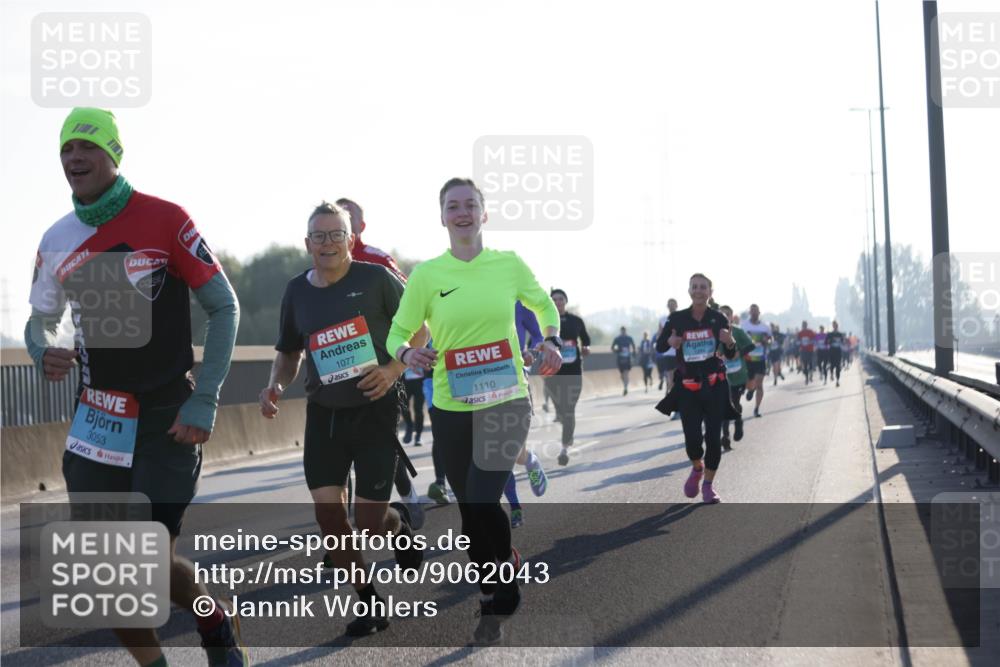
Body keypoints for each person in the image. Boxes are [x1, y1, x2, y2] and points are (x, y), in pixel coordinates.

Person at [25, 108, 243, 666]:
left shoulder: (166, 218)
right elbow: (40, 320)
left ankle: (211, 620)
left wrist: (205, 397)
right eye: (66, 149)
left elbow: (223, 306)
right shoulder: (56, 238)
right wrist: (41, 347)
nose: (75, 158)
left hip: (167, 416)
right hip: (97, 420)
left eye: (88, 147)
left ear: (114, 155)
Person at [386, 177, 562, 645]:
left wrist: (551, 339)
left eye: (470, 205)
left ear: (484, 214)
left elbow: (544, 306)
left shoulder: (508, 265)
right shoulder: (426, 275)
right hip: (451, 405)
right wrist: (407, 355)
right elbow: (397, 331)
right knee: (470, 510)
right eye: (452, 206)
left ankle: (495, 590)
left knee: (484, 496)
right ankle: (497, 574)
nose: (462, 213)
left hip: (506, 398)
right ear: (442, 216)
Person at [260, 201, 427, 637]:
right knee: (329, 516)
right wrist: (276, 385)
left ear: (351, 239)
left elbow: (421, 328)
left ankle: (399, 528)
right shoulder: (296, 291)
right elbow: (289, 351)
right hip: (324, 414)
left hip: (375, 408)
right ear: (307, 243)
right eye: (320, 235)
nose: (328, 243)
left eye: (337, 234)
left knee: (370, 522)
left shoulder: (376, 280)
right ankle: (369, 603)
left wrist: (393, 371)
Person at [334, 198, 424, 527]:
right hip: (337, 370)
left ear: (360, 227)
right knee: (339, 450)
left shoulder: (377, 261)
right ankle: (340, 528)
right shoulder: (322, 265)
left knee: (379, 438)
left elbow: (410, 304)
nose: (340, 227)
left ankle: (408, 496)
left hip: (381, 366)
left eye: (348, 219)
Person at [655, 274, 737, 504]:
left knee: (713, 437)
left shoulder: (718, 318)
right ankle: (697, 467)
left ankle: (709, 486)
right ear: (689, 291)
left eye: (703, 287)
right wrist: (670, 343)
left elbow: (730, 353)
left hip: (714, 385)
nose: (699, 291)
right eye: (695, 287)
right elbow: (660, 346)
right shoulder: (677, 319)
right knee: (692, 439)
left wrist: (729, 342)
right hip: (688, 387)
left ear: (710, 291)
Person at [546, 288, 591, 466]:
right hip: (552, 373)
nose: (557, 302)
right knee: (562, 411)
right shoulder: (544, 321)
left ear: (565, 301)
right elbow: (533, 341)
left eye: (560, 299)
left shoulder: (576, 321)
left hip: (573, 371)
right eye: (554, 299)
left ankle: (564, 448)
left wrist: (586, 347)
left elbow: (586, 339)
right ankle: (568, 433)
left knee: (569, 409)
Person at [718, 306, 755, 450]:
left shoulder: (738, 331)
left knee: (735, 403)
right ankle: (725, 436)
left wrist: (738, 353)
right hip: (722, 376)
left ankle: (738, 422)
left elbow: (751, 346)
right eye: (721, 314)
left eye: (727, 314)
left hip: (739, 375)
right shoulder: (714, 333)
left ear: (731, 317)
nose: (724, 316)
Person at [742, 304, 771, 418]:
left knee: (759, 384)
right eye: (752, 311)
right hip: (748, 359)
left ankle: (756, 409)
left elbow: (770, 339)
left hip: (760, 358)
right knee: (749, 383)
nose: (754, 313)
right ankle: (751, 389)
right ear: (749, 313)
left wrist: (766, 340)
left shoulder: (765, 327)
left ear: (759, 313)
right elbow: (739, 339)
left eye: (756, 311)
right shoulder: (744, 326)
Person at [655, 299, 679, 392]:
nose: (671, 306)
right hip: (668, 353)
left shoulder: (682, 317)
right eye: (669, 305)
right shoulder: (662, 319)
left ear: (676, 305)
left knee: (679, 377)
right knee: (670, 377)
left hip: (679, 352)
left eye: (673, 304)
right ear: (667, 306)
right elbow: (660, 335)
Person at [400, 364, 426, 445]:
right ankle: (409, 426)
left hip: (420, 380)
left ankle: (418, 436)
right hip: (405, 381)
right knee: (404, 406)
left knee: (418, 409)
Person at [611, 326, 636, 395]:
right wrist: (618, 350)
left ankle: (625, 388)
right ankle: (625, 385)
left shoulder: (629, 338)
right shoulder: (617, 338)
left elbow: (633, 347)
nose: (623, 332)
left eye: (624, 331)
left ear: (626, 331)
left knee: (626, 373)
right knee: (622, 375)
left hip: (628, 357)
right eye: (622, 331)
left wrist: (633, 355)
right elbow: (612, 348)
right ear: (620, 331)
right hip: (620, 358)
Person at [826, 321, 846, 387]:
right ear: (833, 326)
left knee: (838, 366)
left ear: (837, 326)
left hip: (838, 351)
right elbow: (826, 342)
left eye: (836, 326)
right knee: (832, 365)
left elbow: (843, 342)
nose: (835, 327)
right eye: (834, 326)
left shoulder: (840, 334)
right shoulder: (830, 334)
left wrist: (842, 341)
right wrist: (830, 341)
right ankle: (831, 374)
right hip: (832, 351)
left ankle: (837, 381)